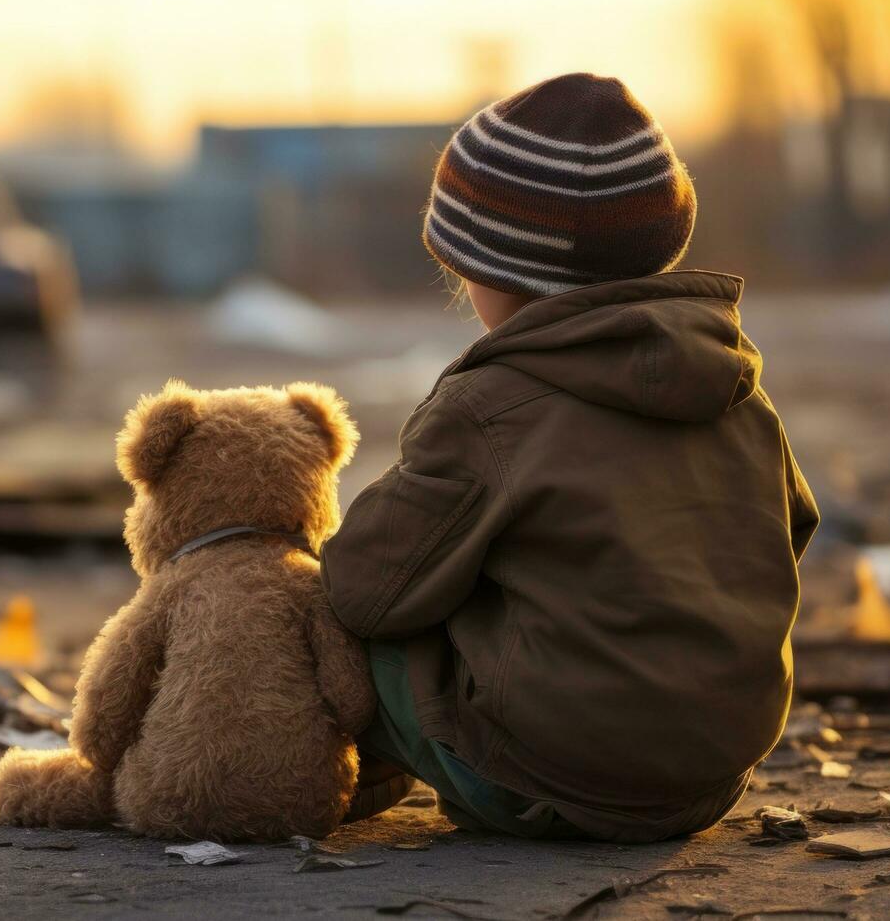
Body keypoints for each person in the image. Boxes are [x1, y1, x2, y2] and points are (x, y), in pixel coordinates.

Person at [321, 73, 819, 843]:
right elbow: (786, 532)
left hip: (548, 785)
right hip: (709, 781)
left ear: (494, 269)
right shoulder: (738, 391)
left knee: (327, 619)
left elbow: (363, 591)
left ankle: (301, 774)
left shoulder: (487, 409)